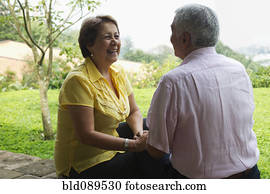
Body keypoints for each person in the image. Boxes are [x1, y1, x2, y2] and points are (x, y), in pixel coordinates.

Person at [146, 4, 260, 178]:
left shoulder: (173, 81)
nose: (170, 38)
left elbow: (157, 150)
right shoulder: (238, 69)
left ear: (185, 39)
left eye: (172, 31)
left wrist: (144, 142)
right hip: (250, 175)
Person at [54, 15, 148, 178]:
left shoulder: (117, 72)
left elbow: (133, 111)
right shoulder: (78, 80)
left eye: (116, 36)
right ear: (89, 44)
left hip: (110, 145)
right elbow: (86, 135)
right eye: (107, 37)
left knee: (151, 125)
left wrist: (139, 134)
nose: (114, 42)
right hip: (83, 164)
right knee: (146, 157)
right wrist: (133, 145)